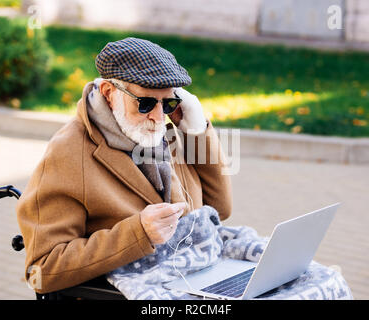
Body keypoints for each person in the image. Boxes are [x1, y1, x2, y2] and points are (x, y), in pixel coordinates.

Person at [16, 37, 232, 294]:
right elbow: (42, 271)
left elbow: (219, 209)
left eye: (169, 102)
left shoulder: (165, 131)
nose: (158, 117)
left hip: (188, 278)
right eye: (145, 103)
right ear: (109, 93)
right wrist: (139, 233)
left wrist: (197, 131)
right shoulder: (69, 152)